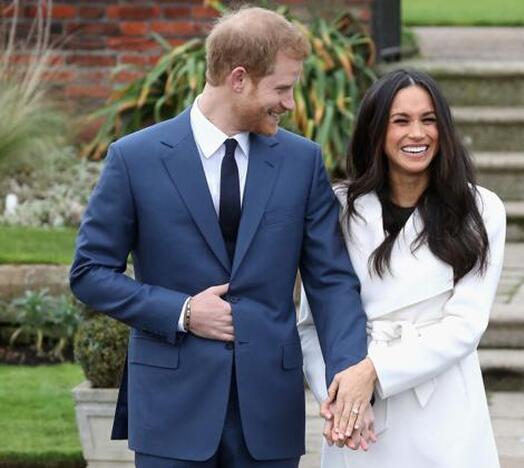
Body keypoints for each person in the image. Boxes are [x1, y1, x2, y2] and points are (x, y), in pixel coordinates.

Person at [70, 7, 375, 467]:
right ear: (238, 79)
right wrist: (183, 312)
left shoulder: (301, 162)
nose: (288, 103)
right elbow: (90, 273)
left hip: (269, 413)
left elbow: (331, 282)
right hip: (171, 409)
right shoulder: (135, 158)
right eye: (281, 88)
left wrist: (349, 378)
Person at [298, 68, 506, 467]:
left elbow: (465, 325)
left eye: (429, 120)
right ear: (375, 131)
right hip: (360, 417)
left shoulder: (480, 210)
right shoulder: (338, 209)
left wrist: (374, 372)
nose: (418, 134)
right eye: (401, 121)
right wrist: (341, 397)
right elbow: (311, 324)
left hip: (443, 406)